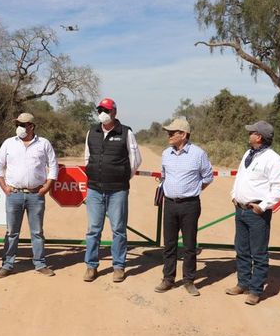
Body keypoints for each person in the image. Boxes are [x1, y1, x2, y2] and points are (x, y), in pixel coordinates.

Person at [227, 121, 280, 305]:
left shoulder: (273, 159)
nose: (249, 134)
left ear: (259, 136)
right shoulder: (248, 154)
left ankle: (255, 289)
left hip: (257, 213)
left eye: (251, 132)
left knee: (259, 253)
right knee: (242, 249)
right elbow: (240, 177)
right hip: (241, 209)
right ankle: (243, 283)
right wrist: (234, 195)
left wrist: (263, 205)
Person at [0, 113, 59, 278]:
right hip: (13, 194)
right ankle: (8, 265)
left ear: (32, 126)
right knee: (11, 232)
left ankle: (40, 264)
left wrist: (47, 187)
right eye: (18, 124)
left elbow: (53, 165)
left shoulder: (43, 143)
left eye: (23, 124)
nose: (20, 127)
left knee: (37, 232)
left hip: (36, 194)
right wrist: (4, 187)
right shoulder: (9, 143)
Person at [82, 98, 141, 283]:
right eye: (100, 109)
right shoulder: (92, 131)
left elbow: (135, 160)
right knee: (93, 230)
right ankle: (91, 266)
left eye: (106, 110)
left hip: (118, 190)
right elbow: (87, 158)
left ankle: (118, 266)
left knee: (118, 229)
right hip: (94, 189)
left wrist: (122, 176)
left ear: (114, 112)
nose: (102, 113)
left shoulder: (126, 132)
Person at [154, 118, 213, 296]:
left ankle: (189, 281)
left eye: (172, 133)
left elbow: (208, 177)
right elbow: (164, 176)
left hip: (190, 205)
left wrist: (193, 190)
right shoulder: (165, 154)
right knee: (169, 244)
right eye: (168, 133)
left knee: (189, 246)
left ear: (184, 135)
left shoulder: (198, 154)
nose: (169, 135)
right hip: (170, 204)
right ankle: (168, 279)